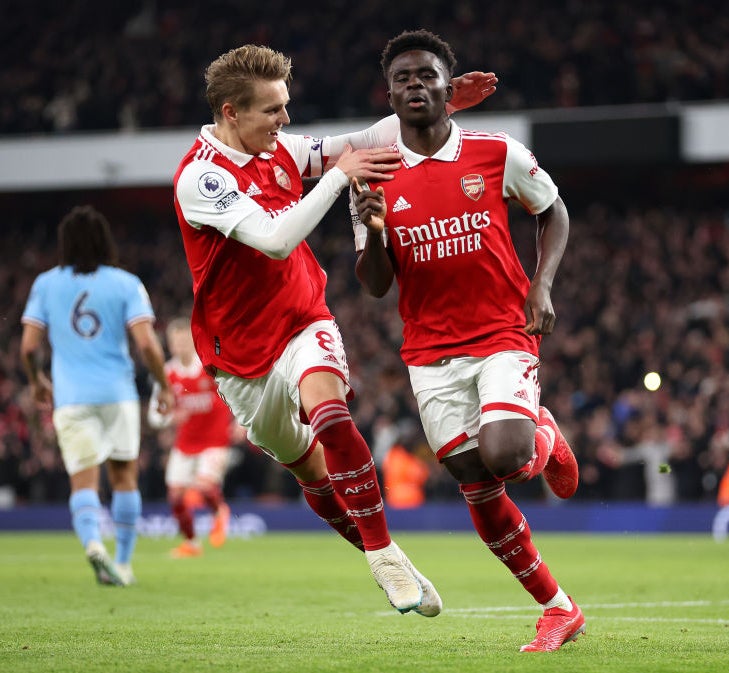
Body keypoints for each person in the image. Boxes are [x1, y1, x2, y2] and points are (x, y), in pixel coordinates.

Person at [173, 43, 496, 615]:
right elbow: (275, 238)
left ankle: (382, 556)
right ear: (231, 112)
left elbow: (360, 145)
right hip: (241, 359)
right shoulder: (200, 178)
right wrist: (336, 179)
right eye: (272, 110)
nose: (286, 121)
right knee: (313, 474)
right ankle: (385, 549)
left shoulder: (280, 149)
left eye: (285, 107)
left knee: (330, 411)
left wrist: (437, 107)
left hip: (302, 318)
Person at [351, 30, 584, 652]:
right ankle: (558, 608)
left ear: (448, 89)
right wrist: (372, 231)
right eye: (402, 78)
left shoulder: (496, 151)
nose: (414, 86)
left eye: (425, 75)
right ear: (390, 94)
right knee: (475, 482)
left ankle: (542, 436)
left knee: (506, 456)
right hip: (429, 351)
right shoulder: (373, 174)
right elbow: (375, 285)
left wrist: (542, 284)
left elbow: (553, 209)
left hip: (504, 331)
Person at [20, 205, 174, 586]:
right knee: (124, 479)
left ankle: (93, 543)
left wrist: (37, 380)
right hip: (117, 394)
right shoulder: (125, 283)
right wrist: (164, 384)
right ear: (105, 242)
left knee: (83, 483)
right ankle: (123, 563)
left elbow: (27, 347)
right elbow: (148, 346)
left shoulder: (45, 284)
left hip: (71, 398)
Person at [147, 317, 239, 558]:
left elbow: (237, 392)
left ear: (193, 339)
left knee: (205, 486)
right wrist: (168, 418)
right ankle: (191, 543)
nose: (180, 345)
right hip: (185, 444)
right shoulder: (167, 374)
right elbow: (154, 417)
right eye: (175, 341)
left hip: (215, 441)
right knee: (175, 495)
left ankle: (219, 511)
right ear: (170, 344)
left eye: (184, 340)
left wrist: (240, 423)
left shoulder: (210, 365)